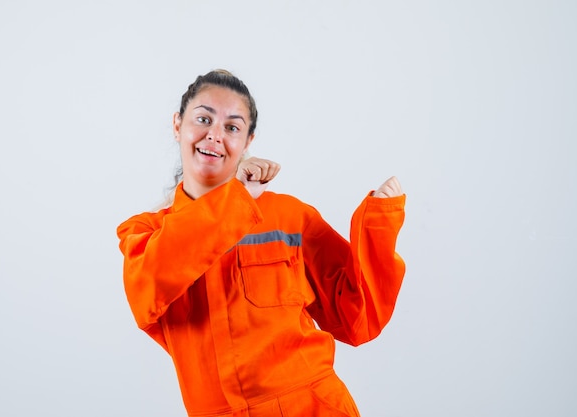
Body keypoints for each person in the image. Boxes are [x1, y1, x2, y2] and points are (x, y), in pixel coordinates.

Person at [117, 69, 406, 417]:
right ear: (178, 125)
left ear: (249, 141)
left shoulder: (289, 217)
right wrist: (235, 200)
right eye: (203, 119)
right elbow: (150, 287)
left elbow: (358, 319)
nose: (214, 136)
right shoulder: (145, 234)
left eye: (232, 127)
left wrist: (379, 224)